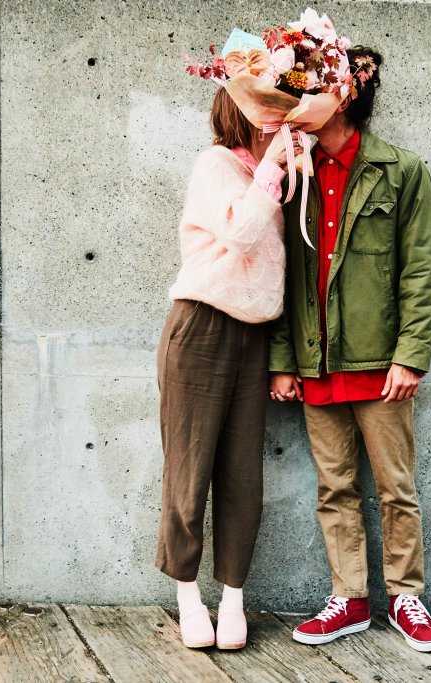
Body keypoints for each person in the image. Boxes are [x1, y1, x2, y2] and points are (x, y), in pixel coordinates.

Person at [268, 47, 431, 653]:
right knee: (334, 488)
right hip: (315, 361)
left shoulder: (401, 170)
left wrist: (410, 354)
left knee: (396, 487)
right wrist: (283, 359)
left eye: (308, 90)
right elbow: (280, 270)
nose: (295, 104)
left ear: (342, 96)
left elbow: (421, 269)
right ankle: (351, 598)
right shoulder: (291, 171)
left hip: (380, 363)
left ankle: (406, 598)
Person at [156, 87, 302, 650]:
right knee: (189, 472)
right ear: (240, 113)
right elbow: (240, 233)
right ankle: (188, 597)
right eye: (268, 112)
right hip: (202, 327)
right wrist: (271, 165)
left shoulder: (281, 174)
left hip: (254, 336)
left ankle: (233, 600)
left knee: (243, 476)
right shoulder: (215, 165)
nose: (278, 123)